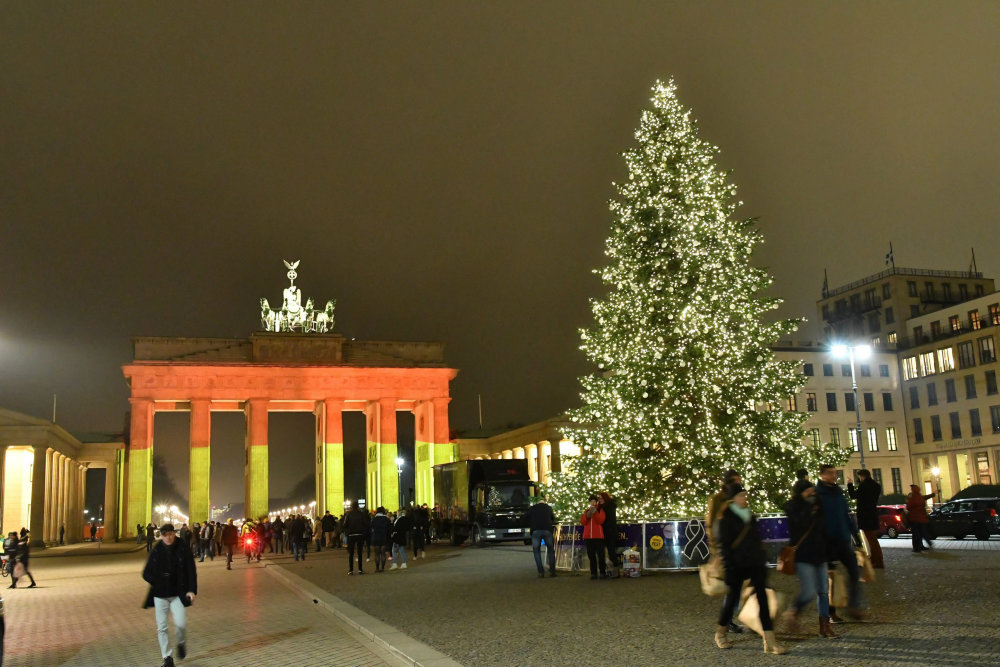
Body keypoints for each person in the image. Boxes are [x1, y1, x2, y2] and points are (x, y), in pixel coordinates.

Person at [714, 485, 786, 654]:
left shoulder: (749, 515)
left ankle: (770, 642)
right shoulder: (725, 518)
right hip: (736, 565)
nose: (745, 498)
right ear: (733, 499)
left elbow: (756, 540)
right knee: (731, 600)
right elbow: (724, 547)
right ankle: (721, 633)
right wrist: (729, 568)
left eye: (745, 495)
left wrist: (762, 561)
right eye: (741, 495)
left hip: (755, 564)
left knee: (763, 600)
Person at [783, 478, 838, 638]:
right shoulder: (793, 507)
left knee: (823, 591)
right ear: (800, 492)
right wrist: (809, 508)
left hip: (820, 554)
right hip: (803, 555)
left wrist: (830, 554)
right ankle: (793, 611)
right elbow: (798, 526)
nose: (812, 493)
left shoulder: (818, 506)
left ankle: (824, 626)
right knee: (808, 591)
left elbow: (823, 530)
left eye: (812, 490)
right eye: (808, 491)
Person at [815, 465, 867, 621]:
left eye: (835, 473)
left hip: (843, 539)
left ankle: (853, 605)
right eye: (830, 473)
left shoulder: (838, 492)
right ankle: (830, 611)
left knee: (854, 570)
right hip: (827, 542)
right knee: (830, 578)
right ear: (822, 475)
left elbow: (845, 514)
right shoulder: (817, 494)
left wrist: (855, 536)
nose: (834, 476)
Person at [142, 524, 197, 667]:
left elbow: (191, 570)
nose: (168, 537)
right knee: (162, 628)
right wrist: (158, 581)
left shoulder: (183, 548)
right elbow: (146, 572)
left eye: (171, 534)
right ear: (161, 535)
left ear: (175, 533)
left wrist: (191, 590)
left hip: (178, 593)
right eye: (165, 534)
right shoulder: (156, 550)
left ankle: (181, 643)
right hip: (160, 594)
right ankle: (167, 657)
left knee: (180, 624)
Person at [707, 469, 744, 634]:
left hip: (740, 549)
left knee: (736, 587)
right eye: (736, 480)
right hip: (726, 549)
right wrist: (716, 548)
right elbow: (711, 524)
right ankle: (725, 622)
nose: (739, 482)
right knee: (731, 587)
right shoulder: (717, 500)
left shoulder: (739, 497)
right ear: (728, 482)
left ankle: (729, 620)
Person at [847, 469, 883, 569]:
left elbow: (853, 495)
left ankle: (878, 561)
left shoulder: (864, 486)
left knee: (871, 539)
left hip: (865, 515)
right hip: (872, 513)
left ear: (862, 476)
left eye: (859, 477)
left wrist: (850, 484)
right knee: (872, 539)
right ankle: (875, 559)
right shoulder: (876, 485)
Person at [526, 494, 557, 577]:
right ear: (544, 502)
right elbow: (553, 518)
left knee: (536, 551)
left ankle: (541, 572)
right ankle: (552, 571)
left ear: (537, 502)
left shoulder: (532, 508)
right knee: (551, 549)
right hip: (547, 530)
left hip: (536, 531)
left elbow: (525, 517)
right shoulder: (548, 508)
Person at [580, 494, 606, 580]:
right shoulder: (586, 511)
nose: (593, 502)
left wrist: (595, 513)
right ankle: (593, 573)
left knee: (601, 555)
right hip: (588, 537)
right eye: (591, 501)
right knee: (591, 556)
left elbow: (601, 520)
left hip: (598, 536)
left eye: (594, 501)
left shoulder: (600, 510)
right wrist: (587, 515)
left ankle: (602, 572)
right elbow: (583, 522)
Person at [906, 484, 935, 553]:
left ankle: (916, 547)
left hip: (914, 518)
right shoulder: (920, 497)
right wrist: (933, 494)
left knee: (916, 534)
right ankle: (920, 545)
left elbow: (908, 507)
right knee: (920, 533)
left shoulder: (912, 497)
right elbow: (925, 498)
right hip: (921, 518)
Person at [342, 501, 368, 575]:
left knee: (351, 554)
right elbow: (366, 524)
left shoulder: (348, 515)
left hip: (351, 535)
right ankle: (360, 569)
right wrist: (363, 532)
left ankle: (351, 570)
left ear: (352, 507)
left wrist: (347, 533)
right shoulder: (361, 514)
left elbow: (344, 525)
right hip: (360, 535)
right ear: (358, 506)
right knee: (360, 553)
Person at [598, 491, 619, 578]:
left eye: (601, 498)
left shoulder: (608, 507)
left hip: (610, 532)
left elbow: (609, 520)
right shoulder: (602, 507)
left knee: (611, 552)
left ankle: (616, 571)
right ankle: (610, 571)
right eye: (599, 498)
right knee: (604, 553)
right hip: (604, 532)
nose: (600, 500)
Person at [370, 507, 392, 572]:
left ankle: (377, 568)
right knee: (383, 554)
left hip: (376, 537)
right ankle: (382, 568)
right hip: (384, 537)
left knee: (376, 554)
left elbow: (371, 528)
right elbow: (389, 529)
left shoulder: (374, 519)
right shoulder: (386, 519)